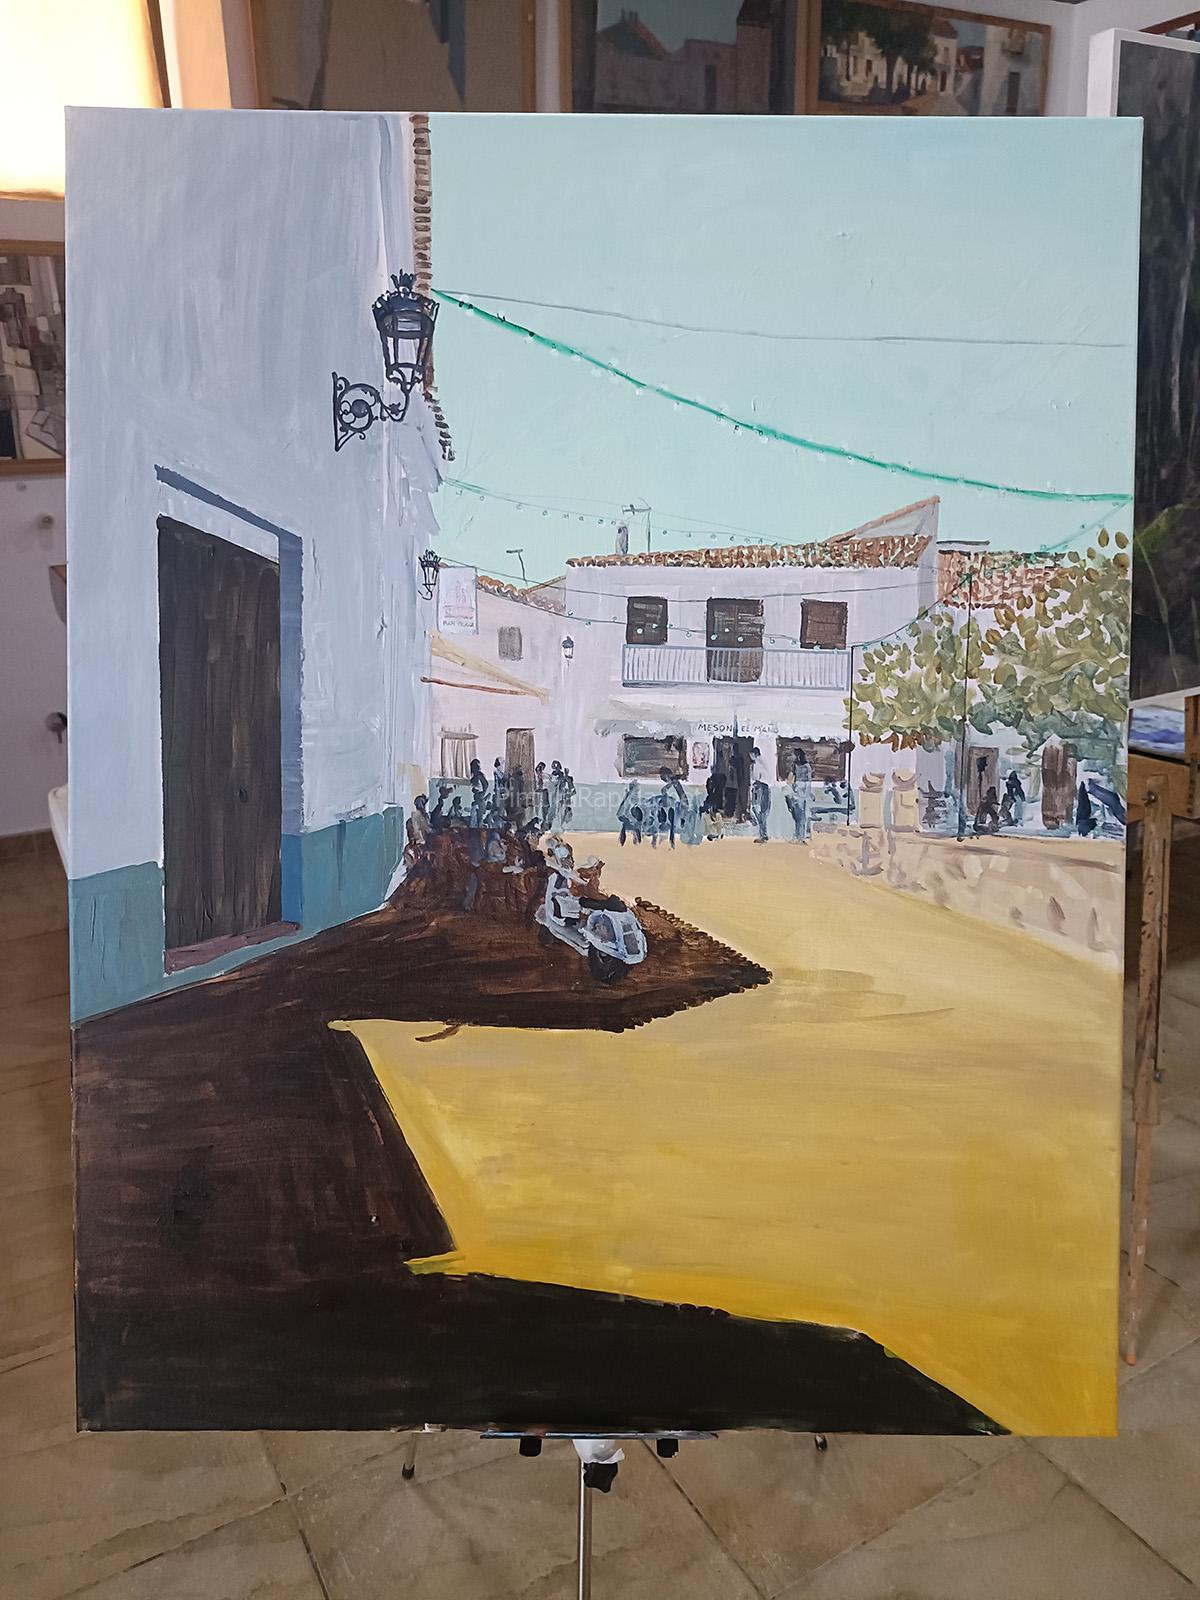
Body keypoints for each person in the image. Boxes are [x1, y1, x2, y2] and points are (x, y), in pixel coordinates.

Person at [784, 750, 812, 842]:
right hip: (795, 791)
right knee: (796, 815)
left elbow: (808, 781)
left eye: (795, 756)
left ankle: (800, 836)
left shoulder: (807, 766)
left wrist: (806, 793)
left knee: (801, 815)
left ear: (799, 756)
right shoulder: (795, 765)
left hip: (802, 792)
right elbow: (790, 777)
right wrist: (790, 785)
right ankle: (797, 835)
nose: (793, 757)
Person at [750, 746, 771, 843]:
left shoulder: (757, 764)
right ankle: (763, 834)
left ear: (754, 754)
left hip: (759, 787)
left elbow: (755, 778)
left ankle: (763, 834)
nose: (750, 757)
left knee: (756, 808)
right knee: (763, 811)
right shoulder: (764, 762)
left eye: (751, 755)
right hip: (766, 788)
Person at [617, 779, 644, 846]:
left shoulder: (631, 800)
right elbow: (626, 812)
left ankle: (632, 789)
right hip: (627, 815)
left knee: (621, 814)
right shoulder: (632, 800)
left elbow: (626, 812)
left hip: (625, 815)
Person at [702, 769, 725, 842]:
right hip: (713, 805)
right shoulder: (710, 830)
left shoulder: (708, 830)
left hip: (711, 805)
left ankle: (714, 780)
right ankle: (715, 780)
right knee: (716, 793)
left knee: (714, 794)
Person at [468, 758, 488, 830]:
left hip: (479, 799)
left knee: (479, 818)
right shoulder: (474, 777)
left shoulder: (479, 775)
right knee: (475, 818)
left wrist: (483, 793)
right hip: (477, 799)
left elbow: (486, 784)